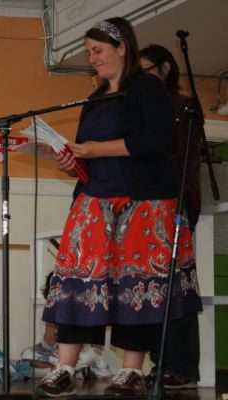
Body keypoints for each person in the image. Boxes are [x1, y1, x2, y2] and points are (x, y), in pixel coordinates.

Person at [38, 17, 201, 397]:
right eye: (89, 52)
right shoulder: (95, 99)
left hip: (142, 203)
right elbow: (85, 153)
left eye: (97, 50)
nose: (92, 58)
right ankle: (65, 367)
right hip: (93, 200)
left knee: (135, 287)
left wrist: (97, 149)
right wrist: (72, 162)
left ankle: (131, 371)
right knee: (76, 280)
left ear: (122, 47)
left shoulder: (148, 88)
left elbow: (157, 139)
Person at [139, 43, 202, 389]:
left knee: (177, 286)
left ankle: (180, 365)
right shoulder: (145, 107)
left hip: (175, 203)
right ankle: (160, 361)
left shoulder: (183, 106)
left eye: (146, 70)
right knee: (151, 287)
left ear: (165, 68)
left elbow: (182, 160)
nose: (141, 78)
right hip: (148, 205)